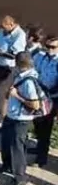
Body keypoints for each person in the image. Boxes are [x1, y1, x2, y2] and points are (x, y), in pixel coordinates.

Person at [0, 52, 46, 185]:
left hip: (21, 120)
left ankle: (20, 177)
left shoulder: (28, 81)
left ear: (18, 64)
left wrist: (17, 95)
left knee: (17, 148)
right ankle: (7, 166)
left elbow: (35, 105)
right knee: (6, 142)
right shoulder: (21, 76)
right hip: (12, 116)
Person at [0, 16, 27, 130]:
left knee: (0, 93)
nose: (2, 29)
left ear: (11, 24)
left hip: (8, 68)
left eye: (4, 27)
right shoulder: (1, 30)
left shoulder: (20, 35)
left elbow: (15, 54)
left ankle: (1, 119)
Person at [31, 35, 58, 168]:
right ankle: (38, 146)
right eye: (47, 46)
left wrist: (49, 92)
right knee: (37, 123)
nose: (49, 50)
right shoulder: (40, 57)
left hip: (52, 97)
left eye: (53, 47)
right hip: (37, 94)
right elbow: (32, 70)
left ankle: (41, 157)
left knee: (46, 127)